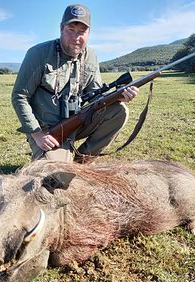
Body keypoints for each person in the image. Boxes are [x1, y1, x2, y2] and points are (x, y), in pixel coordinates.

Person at [12, 3, 139, 163]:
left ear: (88, 33)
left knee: (119, 111)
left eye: (81, 32)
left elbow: (96, 98)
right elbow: (19, 96)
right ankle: (55, 158)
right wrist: (37, 134)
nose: (76, 37)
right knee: (56, 176)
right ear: (61, 28)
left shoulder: (91, 56)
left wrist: (119, 97)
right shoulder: (38, 54)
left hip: (78, 122)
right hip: (48, 131)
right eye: (71, 30)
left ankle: (81, 161)